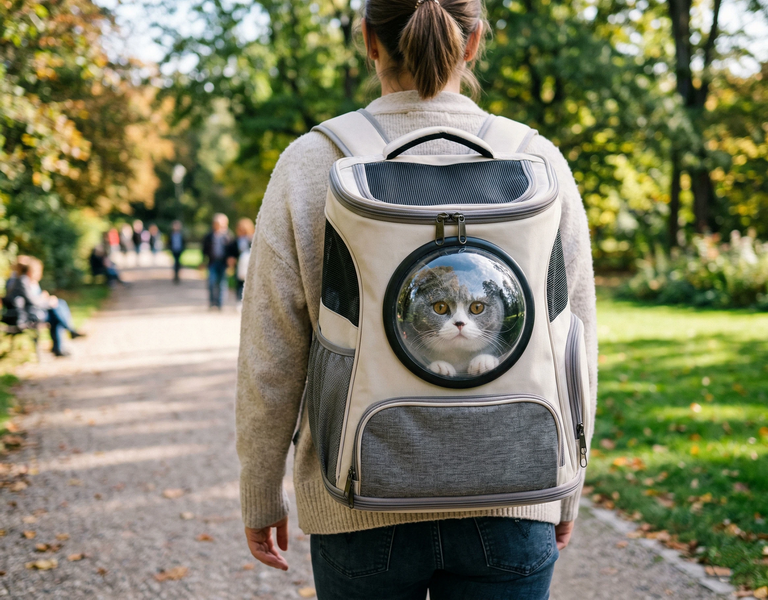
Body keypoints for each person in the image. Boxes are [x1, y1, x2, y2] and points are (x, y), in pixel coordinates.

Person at [236, 2, 597, 598]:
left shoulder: (313, 161)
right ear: (475, 41)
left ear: (369, 41)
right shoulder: (539, 162)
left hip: (357, 501)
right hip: (512, 492)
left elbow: (271, 352)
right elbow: (575, 339)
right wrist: (567, 485)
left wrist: (261, 490)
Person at [5, 257, 84, 357]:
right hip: (29, 315)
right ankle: (66, 337)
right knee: (56, 312)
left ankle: (62, 343)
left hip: (32, 311)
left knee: (58, 306)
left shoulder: (25, 281)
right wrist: (47, 301)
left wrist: (46, 300)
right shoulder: (22, 281)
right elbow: (32, 301)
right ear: (30, 270)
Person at [201, 213, 232, 309]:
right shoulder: (209, 235)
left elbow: (232, 250)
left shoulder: (228, 235)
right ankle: (212, 302)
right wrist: (203, 261)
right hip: (212, 262)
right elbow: (204, 249)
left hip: (223, 263)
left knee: (222, 283)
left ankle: (220, 303)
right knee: (211, 282)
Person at [227, 217, 254, 306]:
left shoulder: (252, 239)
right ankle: (239, 301)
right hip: (240, 265)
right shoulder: (235, 241)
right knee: (239, 283)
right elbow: (232, 252)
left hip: (250, 264)